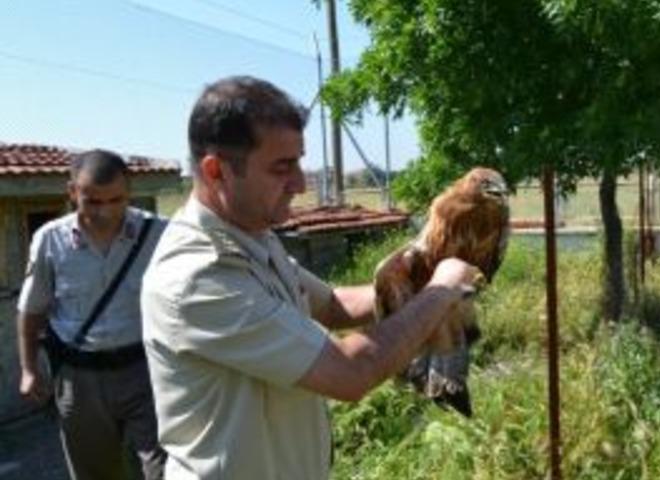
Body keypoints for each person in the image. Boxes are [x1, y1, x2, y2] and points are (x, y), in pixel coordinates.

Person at [140, 75, 481, 479]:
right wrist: (441, 292)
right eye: (282, 168)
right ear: (216, 171)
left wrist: (414, 280)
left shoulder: (252, 236)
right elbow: (350, 373)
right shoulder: (198, 275)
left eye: (299, 162)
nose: (300, 184)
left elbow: (333, 305)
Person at [17, 149, 168, 480]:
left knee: (166, 469)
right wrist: (29, 369)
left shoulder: (159, 234)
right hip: (80, 378)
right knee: (95, 472)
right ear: (73, 192)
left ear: (129, 191)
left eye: (116, 200)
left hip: (147, 370)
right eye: (93, 202)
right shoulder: (50, 241)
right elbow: (32, 310)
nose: (106, 211)